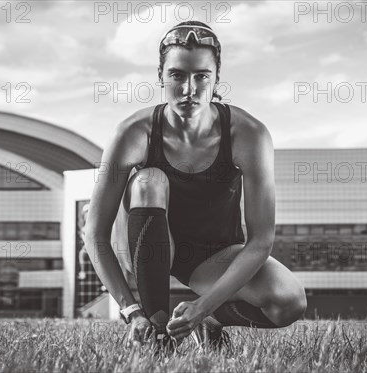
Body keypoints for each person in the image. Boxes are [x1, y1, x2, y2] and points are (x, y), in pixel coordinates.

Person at [82, 21, 306, 352]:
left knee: (288, 302)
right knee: (149, 180)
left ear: (216, 77)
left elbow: (261, 241)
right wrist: (132, 311)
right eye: (177, 75)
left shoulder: (248, 134)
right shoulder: (133, 132)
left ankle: (209, 324)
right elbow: (95, 234)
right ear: (161, 76)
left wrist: (204, 308)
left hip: (211, 255)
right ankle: (159, 334)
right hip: (144, 244)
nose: (189, 88)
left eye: (201, 76)